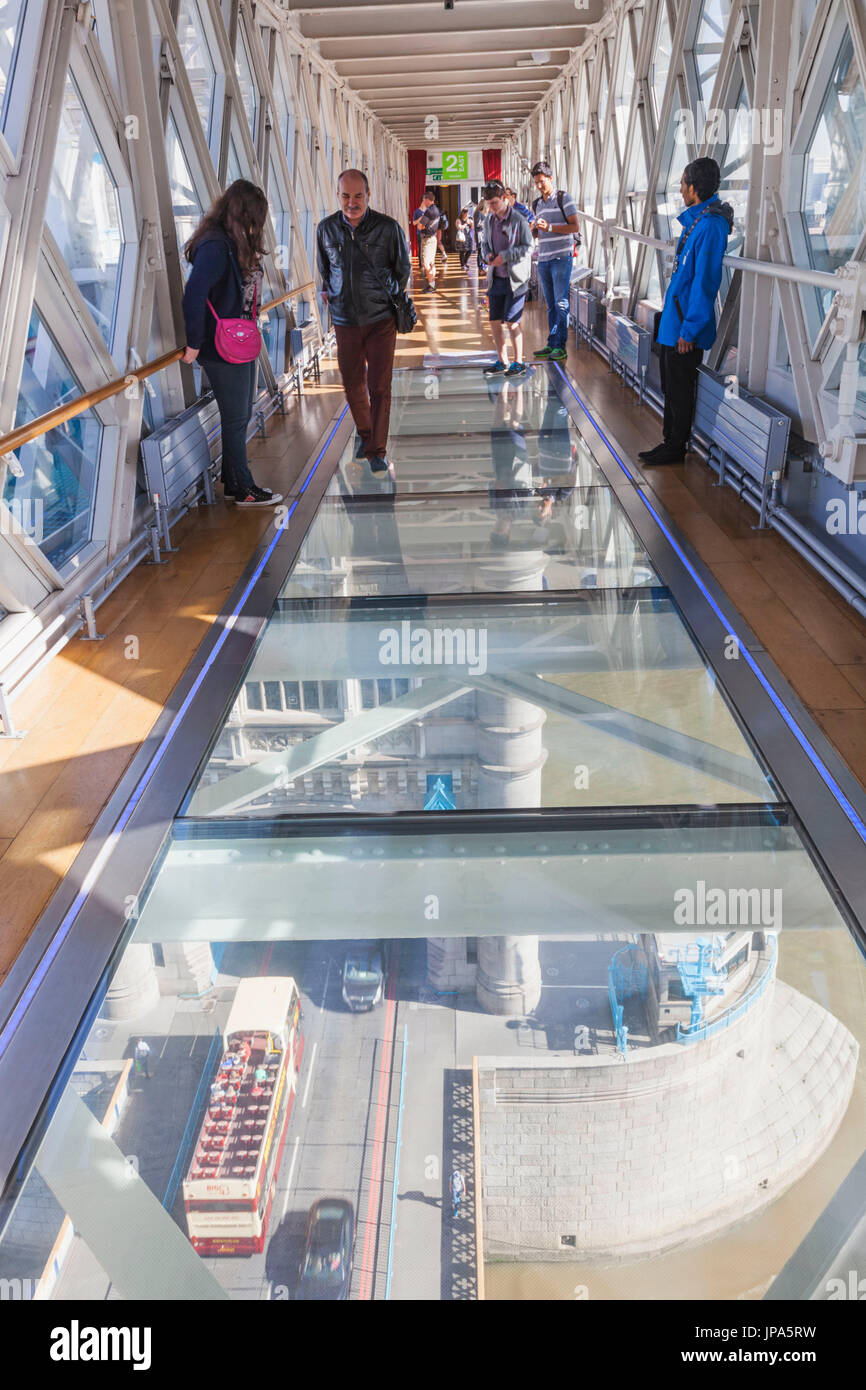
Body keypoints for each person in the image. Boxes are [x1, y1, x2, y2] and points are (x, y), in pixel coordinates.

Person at [181, 180, 283, 507]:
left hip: (237, 340)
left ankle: (233, 480)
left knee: (240, 414)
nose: (258, 226)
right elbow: (193, 295)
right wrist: (194, 344)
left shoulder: (227, 241)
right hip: (221, 346)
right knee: (237, 417)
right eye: (255, 217)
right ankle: (244, 489)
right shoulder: (216, 246)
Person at [639, 158, 734, 466]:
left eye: (682, 184)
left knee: (681, 388)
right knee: (670, 385)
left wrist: (689, 330)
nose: (679, 190)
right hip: (673, 321)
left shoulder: (712, 225)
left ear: (694, 187)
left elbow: (705, 282)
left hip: (684, 328)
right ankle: (669, 440)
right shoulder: (699, 221)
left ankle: (676, 445)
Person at [317, 169, 411, 474]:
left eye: (358, 196)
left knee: (379, 386)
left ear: (368, 195)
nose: (352, 202)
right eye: (346, 196)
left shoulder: (388, 228)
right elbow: (325, 271)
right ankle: (367, 434)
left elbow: (402, 270)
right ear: (338, 195)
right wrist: (334, 294)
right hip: (344, 321)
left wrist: (385, 298)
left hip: (381, 318)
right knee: (353, 385)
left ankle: (376, 451)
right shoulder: (326, 229)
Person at [480, 180, 533, 378]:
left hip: (516, 280)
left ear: (504, 199)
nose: (492, 207)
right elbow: (484, 244)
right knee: (494, 321)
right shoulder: (489, 221)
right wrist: (488, 256)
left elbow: (529, 247)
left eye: (494, 203)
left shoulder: (519, 220)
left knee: (512, 322)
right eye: (489, 204)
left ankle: (519, 362)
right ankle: (502, 361)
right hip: (497, 279)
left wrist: (506, 255)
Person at [529, 160, 580, 362]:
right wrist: (535, 229)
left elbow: (575, 227)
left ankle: (561, 346)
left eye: (542, 181)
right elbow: (537, 234)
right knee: (550, 305)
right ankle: (552, 343)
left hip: (561, 257)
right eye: (536, 182)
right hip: (544, 259)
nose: (539, 186)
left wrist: (550, 227)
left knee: (561, 303)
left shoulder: (564, 198)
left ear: (551, 178)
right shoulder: (537, 204)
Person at [412, 189, 441, 294]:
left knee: (425, 263)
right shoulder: (437, 210)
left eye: (424, 199)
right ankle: (432, 284)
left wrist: (421, 220)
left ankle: (432, 285)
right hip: (433, 238)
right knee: (431, 263)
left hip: (427, 240)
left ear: (427, 200)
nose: (423, 201)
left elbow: (420, 227)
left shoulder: (428, 212)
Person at [473, 199, 488, 275]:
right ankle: (480, 268)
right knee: (480, 252)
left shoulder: (478, 213)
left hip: (480, 235)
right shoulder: (478, 213)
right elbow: (478, 225)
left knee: (481, 252)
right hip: (480, 236)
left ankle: (482, 268)